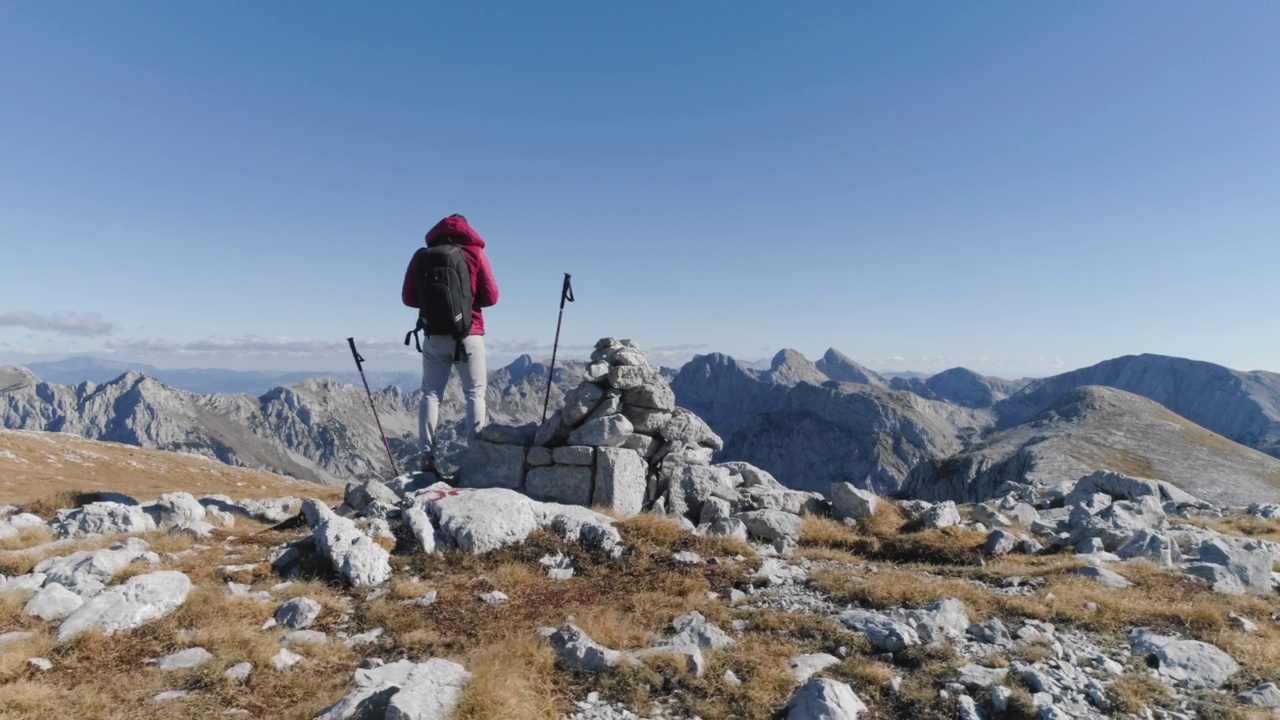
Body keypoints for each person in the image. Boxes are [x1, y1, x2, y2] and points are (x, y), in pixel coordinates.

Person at [401, 214, 499, 473]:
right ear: (467, 230)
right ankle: (476, 454)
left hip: (433, 335)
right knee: (474, 394)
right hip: (469, 333)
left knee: (431, 394)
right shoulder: (474, 253)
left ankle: (426, 458)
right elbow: (492, 297)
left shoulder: (422, 256)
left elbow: (408, 298)